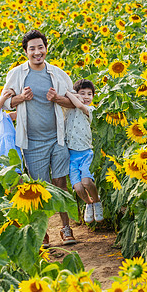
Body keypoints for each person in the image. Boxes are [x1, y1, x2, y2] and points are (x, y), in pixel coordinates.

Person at [0, 30, 77, 246]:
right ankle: (42, 232)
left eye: (40, 47)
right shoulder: (16, 74)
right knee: (39, 189)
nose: (37, 52)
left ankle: (66, 228)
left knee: (60, 184)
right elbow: (5, 102)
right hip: (32, 142)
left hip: (57, 138)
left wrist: (58, 98)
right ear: (25, 52)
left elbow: (75, 102)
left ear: (46, 48)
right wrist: (21, 98)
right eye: (32, 48)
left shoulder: (58, 74)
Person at [64, 79, 103, 223]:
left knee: (87, 182)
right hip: (71, 154)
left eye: (90, 94)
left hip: (86, 152)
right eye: (83, 93)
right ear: (77, 94)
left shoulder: (90, 109)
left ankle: (97, 201)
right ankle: (89, 203)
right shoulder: (68, 110)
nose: (87, 97)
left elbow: (80, 105)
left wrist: (69, 92)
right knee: (78, 187)